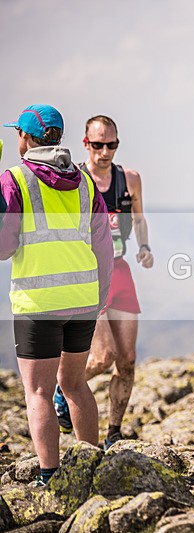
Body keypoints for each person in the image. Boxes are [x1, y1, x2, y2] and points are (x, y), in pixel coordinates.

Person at [0, 105, 113, 485]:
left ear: (25, 138)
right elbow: (103, 245)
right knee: (76, 384)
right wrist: (99, 298)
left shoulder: (14, 179)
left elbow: (3, 247)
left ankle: (50, 475)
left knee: (38, 392)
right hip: (82, 298)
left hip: (39, 303)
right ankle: (94, 466)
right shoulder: (85, 182)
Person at [53, 115, 153, 448]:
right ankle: (62, 388)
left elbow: (139, 218)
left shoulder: (130, 180)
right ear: (86, 144)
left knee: (127, 360)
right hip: (89, 274)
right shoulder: (76, 179)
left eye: (111, 144)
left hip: (120, 271)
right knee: (102, 357)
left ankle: (113, 433)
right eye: (98, 145)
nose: (105, 151)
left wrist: (144, 247)